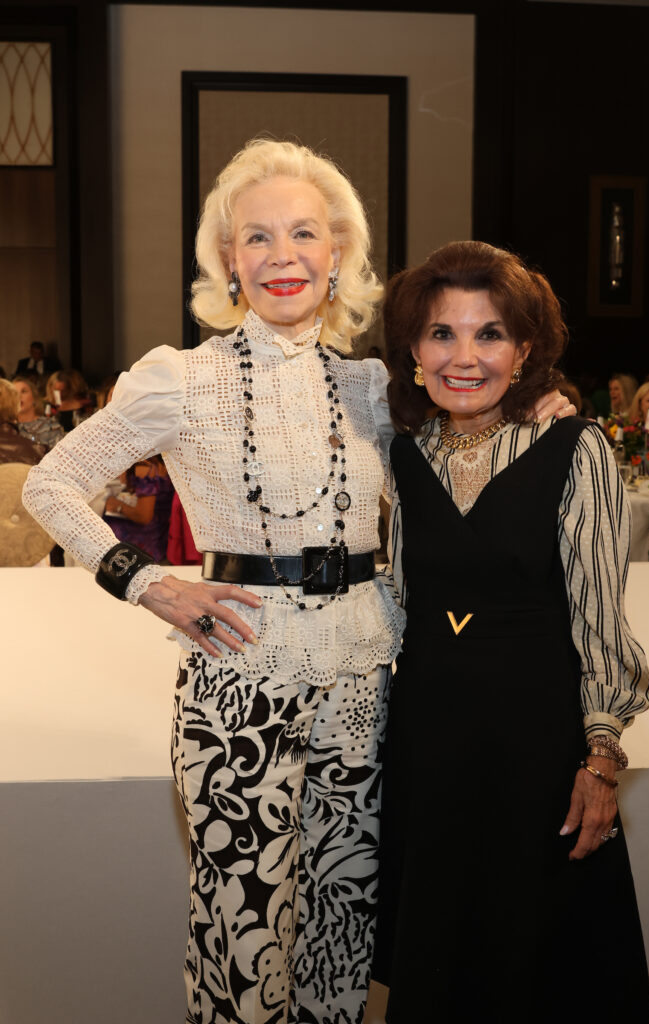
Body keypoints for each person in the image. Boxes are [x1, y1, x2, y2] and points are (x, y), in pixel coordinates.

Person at [23, 140, 572, 1024]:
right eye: (258, 238)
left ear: (338, 256)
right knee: (244, 930)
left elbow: (476, 401)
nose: (283, 256)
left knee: (341, 925)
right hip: (239, 682)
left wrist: (538, 403)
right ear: (229, 262)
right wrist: (147, 581)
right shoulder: (181, 377)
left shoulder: (376, 385)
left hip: (364, 678)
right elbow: (53, 481)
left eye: (304, 234)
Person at [373, 241, 649, 1022]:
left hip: (538, 751)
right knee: (443, 970)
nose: (464, 357)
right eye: (442, 334)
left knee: (540, 971)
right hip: (428, 748)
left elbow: (601, 619)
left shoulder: (576, 448)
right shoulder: (400, 455)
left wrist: (599, 758)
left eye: (489, 333)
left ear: (524, 348)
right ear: (413, 352)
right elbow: (390, 606)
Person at [0, 379, 46, 466]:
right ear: (16, 406)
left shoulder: (37, 450)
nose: (20, 396)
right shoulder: (37, 451)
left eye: (23, 391)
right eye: (17, 394)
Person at [12, 375, 64, 451]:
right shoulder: (7, 427)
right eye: (14, 393)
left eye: (24, 391)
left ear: (34, 397)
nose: (18, 396)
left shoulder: (50, 426)